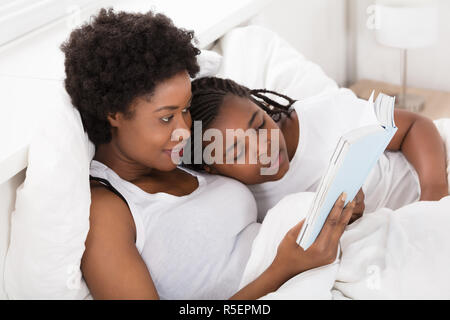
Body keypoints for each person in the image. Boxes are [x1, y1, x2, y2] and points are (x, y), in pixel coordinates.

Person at [60, 8, 358, 300]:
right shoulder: (106, 211)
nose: (184, 130)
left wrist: (333, 216)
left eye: (186, 109)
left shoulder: (182, 157)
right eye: (166, 118)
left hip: (330, 262)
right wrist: (284, 269)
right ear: (114, 114)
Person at [185, 76, 448, 221]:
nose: (264, 148)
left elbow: (415, 126)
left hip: (431, 172)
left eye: (259, 125)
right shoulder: (237, 201)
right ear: (211, 166)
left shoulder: (322, 115)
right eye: (238, 151)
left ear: (262, 108)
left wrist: (434, 197)